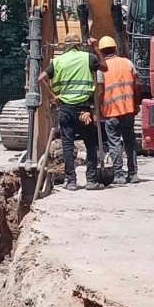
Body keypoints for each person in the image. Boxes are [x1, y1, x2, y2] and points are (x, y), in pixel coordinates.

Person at [38, 32, 108, 191]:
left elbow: (40, 78)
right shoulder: (87, 57)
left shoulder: (57, 61)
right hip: (84, 109)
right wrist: (96, 48)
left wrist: (53, 96)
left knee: (67, 145)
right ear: (79, 45)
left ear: (65, 46)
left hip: (65, 108)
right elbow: (104, 67)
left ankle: (71, 181)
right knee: (90, 144)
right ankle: (91, 180)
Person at [97, 36, 141, 186]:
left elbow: (100, 91)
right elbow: (137, 84)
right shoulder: (127, 63)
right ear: (115, 48)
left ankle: (119, 175)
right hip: (128, 109)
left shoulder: (101, 68)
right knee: (129, 141)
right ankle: (133, 173)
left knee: (114, 143)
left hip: (111, 112)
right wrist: (136, 103)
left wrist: (98, 109)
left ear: (101, 52)